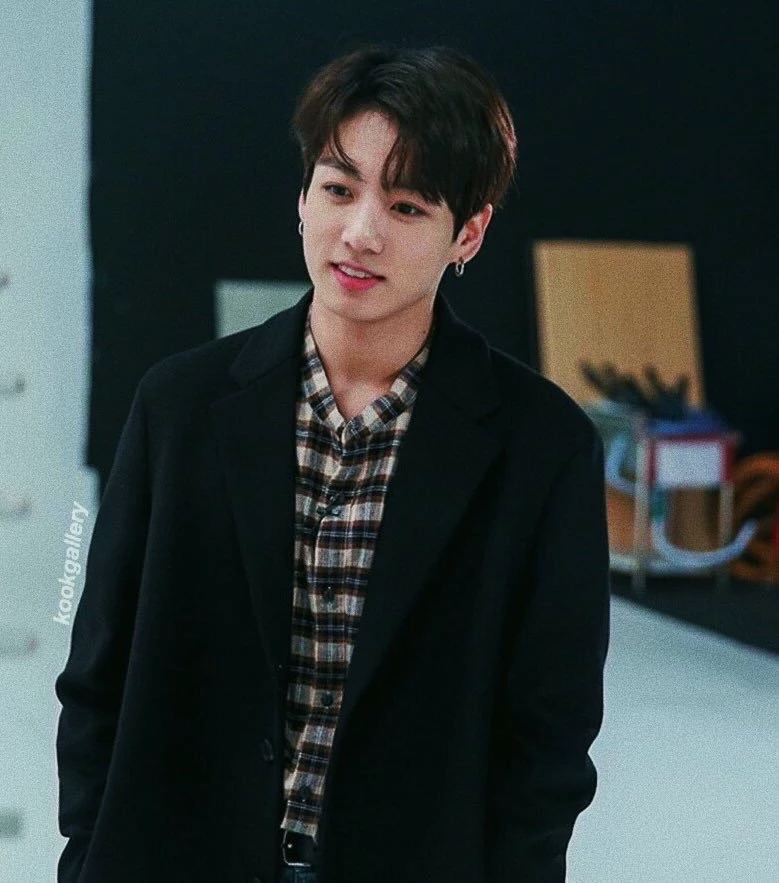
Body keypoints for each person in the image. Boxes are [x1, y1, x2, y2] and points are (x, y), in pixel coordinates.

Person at [55, 44, 610, 883]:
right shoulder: (179, 407)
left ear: (468, 232)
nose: (360, 232)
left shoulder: (542, 447)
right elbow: (98, 670)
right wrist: (85, 857)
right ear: (303, 197)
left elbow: (549, 735)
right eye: (339, 188)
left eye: (407, 205)